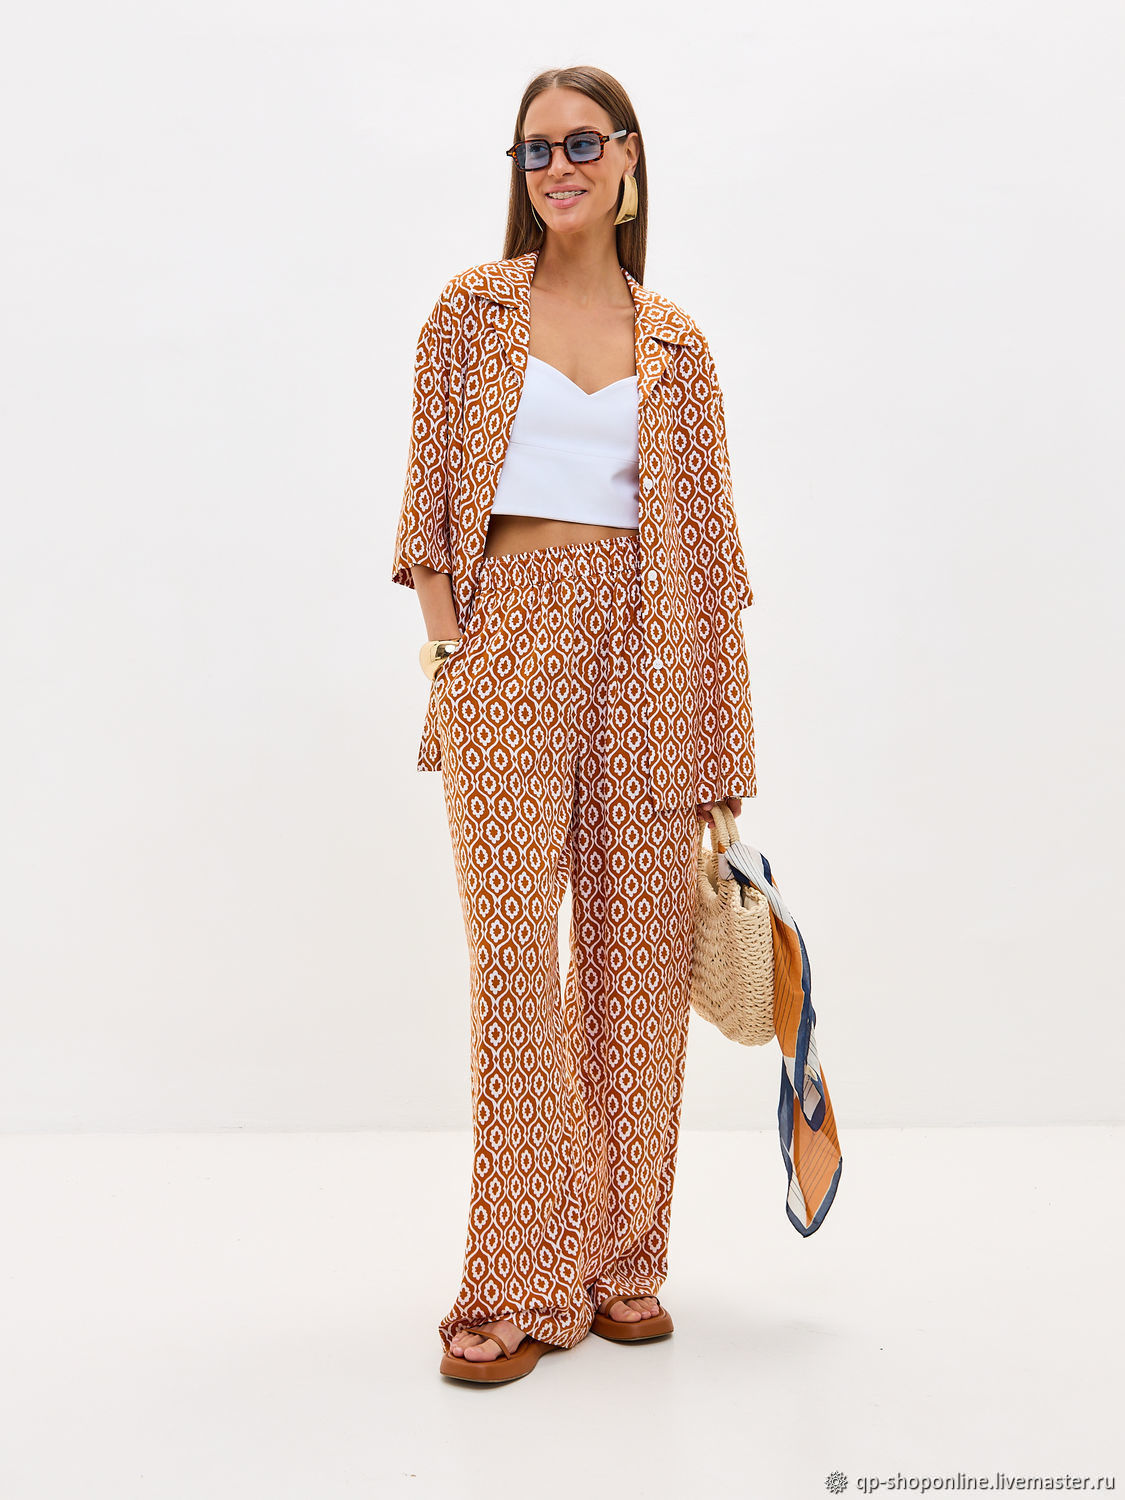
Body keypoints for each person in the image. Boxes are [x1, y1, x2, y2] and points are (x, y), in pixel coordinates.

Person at [391, 65, 758, 1384]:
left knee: (636, 967)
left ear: (629, 158)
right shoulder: (470, 313)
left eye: (582, 143)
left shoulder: (678, 344)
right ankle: (513, 1278)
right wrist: (453, 659)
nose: (558, 166)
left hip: (651, 659)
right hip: (507, 647)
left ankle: (618, 1262)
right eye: (535, 149)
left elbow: (710, 558)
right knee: (513, 972)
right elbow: (427, 517)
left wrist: (719, 752)